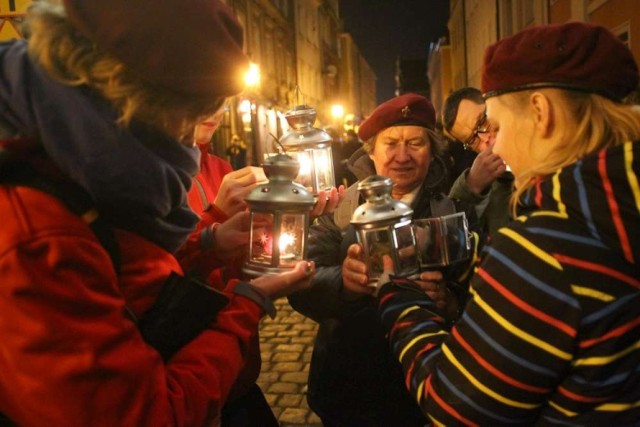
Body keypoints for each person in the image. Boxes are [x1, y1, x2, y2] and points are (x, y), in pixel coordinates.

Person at [0, 1, 315, 425]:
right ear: (135, 95)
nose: (189, 135)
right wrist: (248, 304)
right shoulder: (36, 231)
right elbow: (149, 415)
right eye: (192, 112)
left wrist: (207, 243)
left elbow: (122, 271)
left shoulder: (78, 154)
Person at [376, 22, 640, 425]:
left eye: (496, 126)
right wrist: (460, 252)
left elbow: (454, 407)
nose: (493, 144)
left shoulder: (548, 244)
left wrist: (398, 294)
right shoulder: (614, 201)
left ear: (541, 112)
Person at [288, 93, 478, 426]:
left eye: (415, 143)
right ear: (372, 151)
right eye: (391, 143)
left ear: (432, 151)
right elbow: (301, 280)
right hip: (347, 388)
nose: (402, 156)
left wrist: (449, 303)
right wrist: (343, 283)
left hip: (420, 394)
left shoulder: (452, 210)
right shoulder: (343, 206)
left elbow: (480, 296)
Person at [442, 87, 514, 237]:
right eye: (472, 140)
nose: (485, 138)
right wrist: (470, 185)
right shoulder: (496, 190)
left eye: (483, 121)